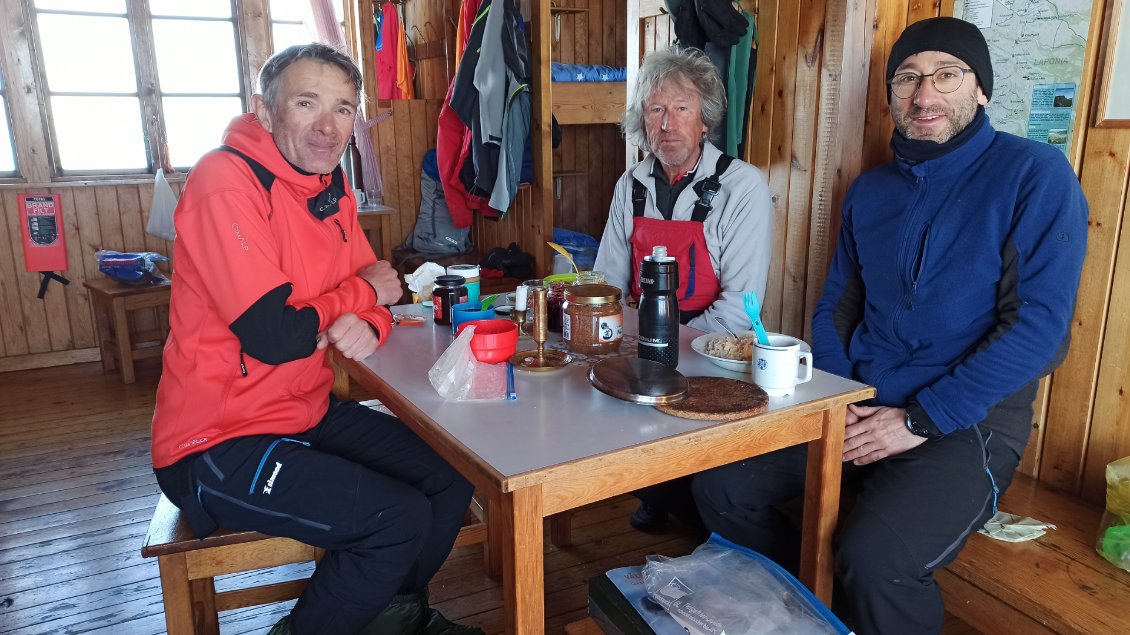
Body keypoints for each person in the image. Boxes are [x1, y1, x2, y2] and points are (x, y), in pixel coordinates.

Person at [690, 17, 1089, 634]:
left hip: (969, 424)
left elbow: (1039, 331)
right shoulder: (871, 191)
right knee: (722, 486)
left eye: (946, 76)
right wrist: (844, 397)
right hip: (859, 404)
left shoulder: (1034, 175)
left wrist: (919, 419)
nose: (924, 96)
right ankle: (813, 619)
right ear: (891, 94)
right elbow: (836, 308)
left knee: (876, 559)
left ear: (981, 90)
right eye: (907, 78)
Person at [150, 43, 480, 635]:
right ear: (265, 109)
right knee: (395, 519)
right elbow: (276, 334)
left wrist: (372, 311)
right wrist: (360, 298)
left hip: (300, 411)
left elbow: (386, 290)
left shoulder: (328, 186)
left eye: (345, 109)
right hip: (216, 441)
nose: (329, 128)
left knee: (451, 475)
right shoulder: (225, 180)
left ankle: (392, 618)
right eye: (308, 104)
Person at [593, 46, 773, 533]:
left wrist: (668, 345)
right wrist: (623, 338)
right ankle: (655, 489)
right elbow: (608, 282)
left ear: (705, 120)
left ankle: (689, 503)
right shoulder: (629, 184)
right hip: (643, 341)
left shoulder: (742, 187)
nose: (667, 124)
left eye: (681, 108)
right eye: (655, 109)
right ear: (642, 120)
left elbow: (739, 308)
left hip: (715, 350)